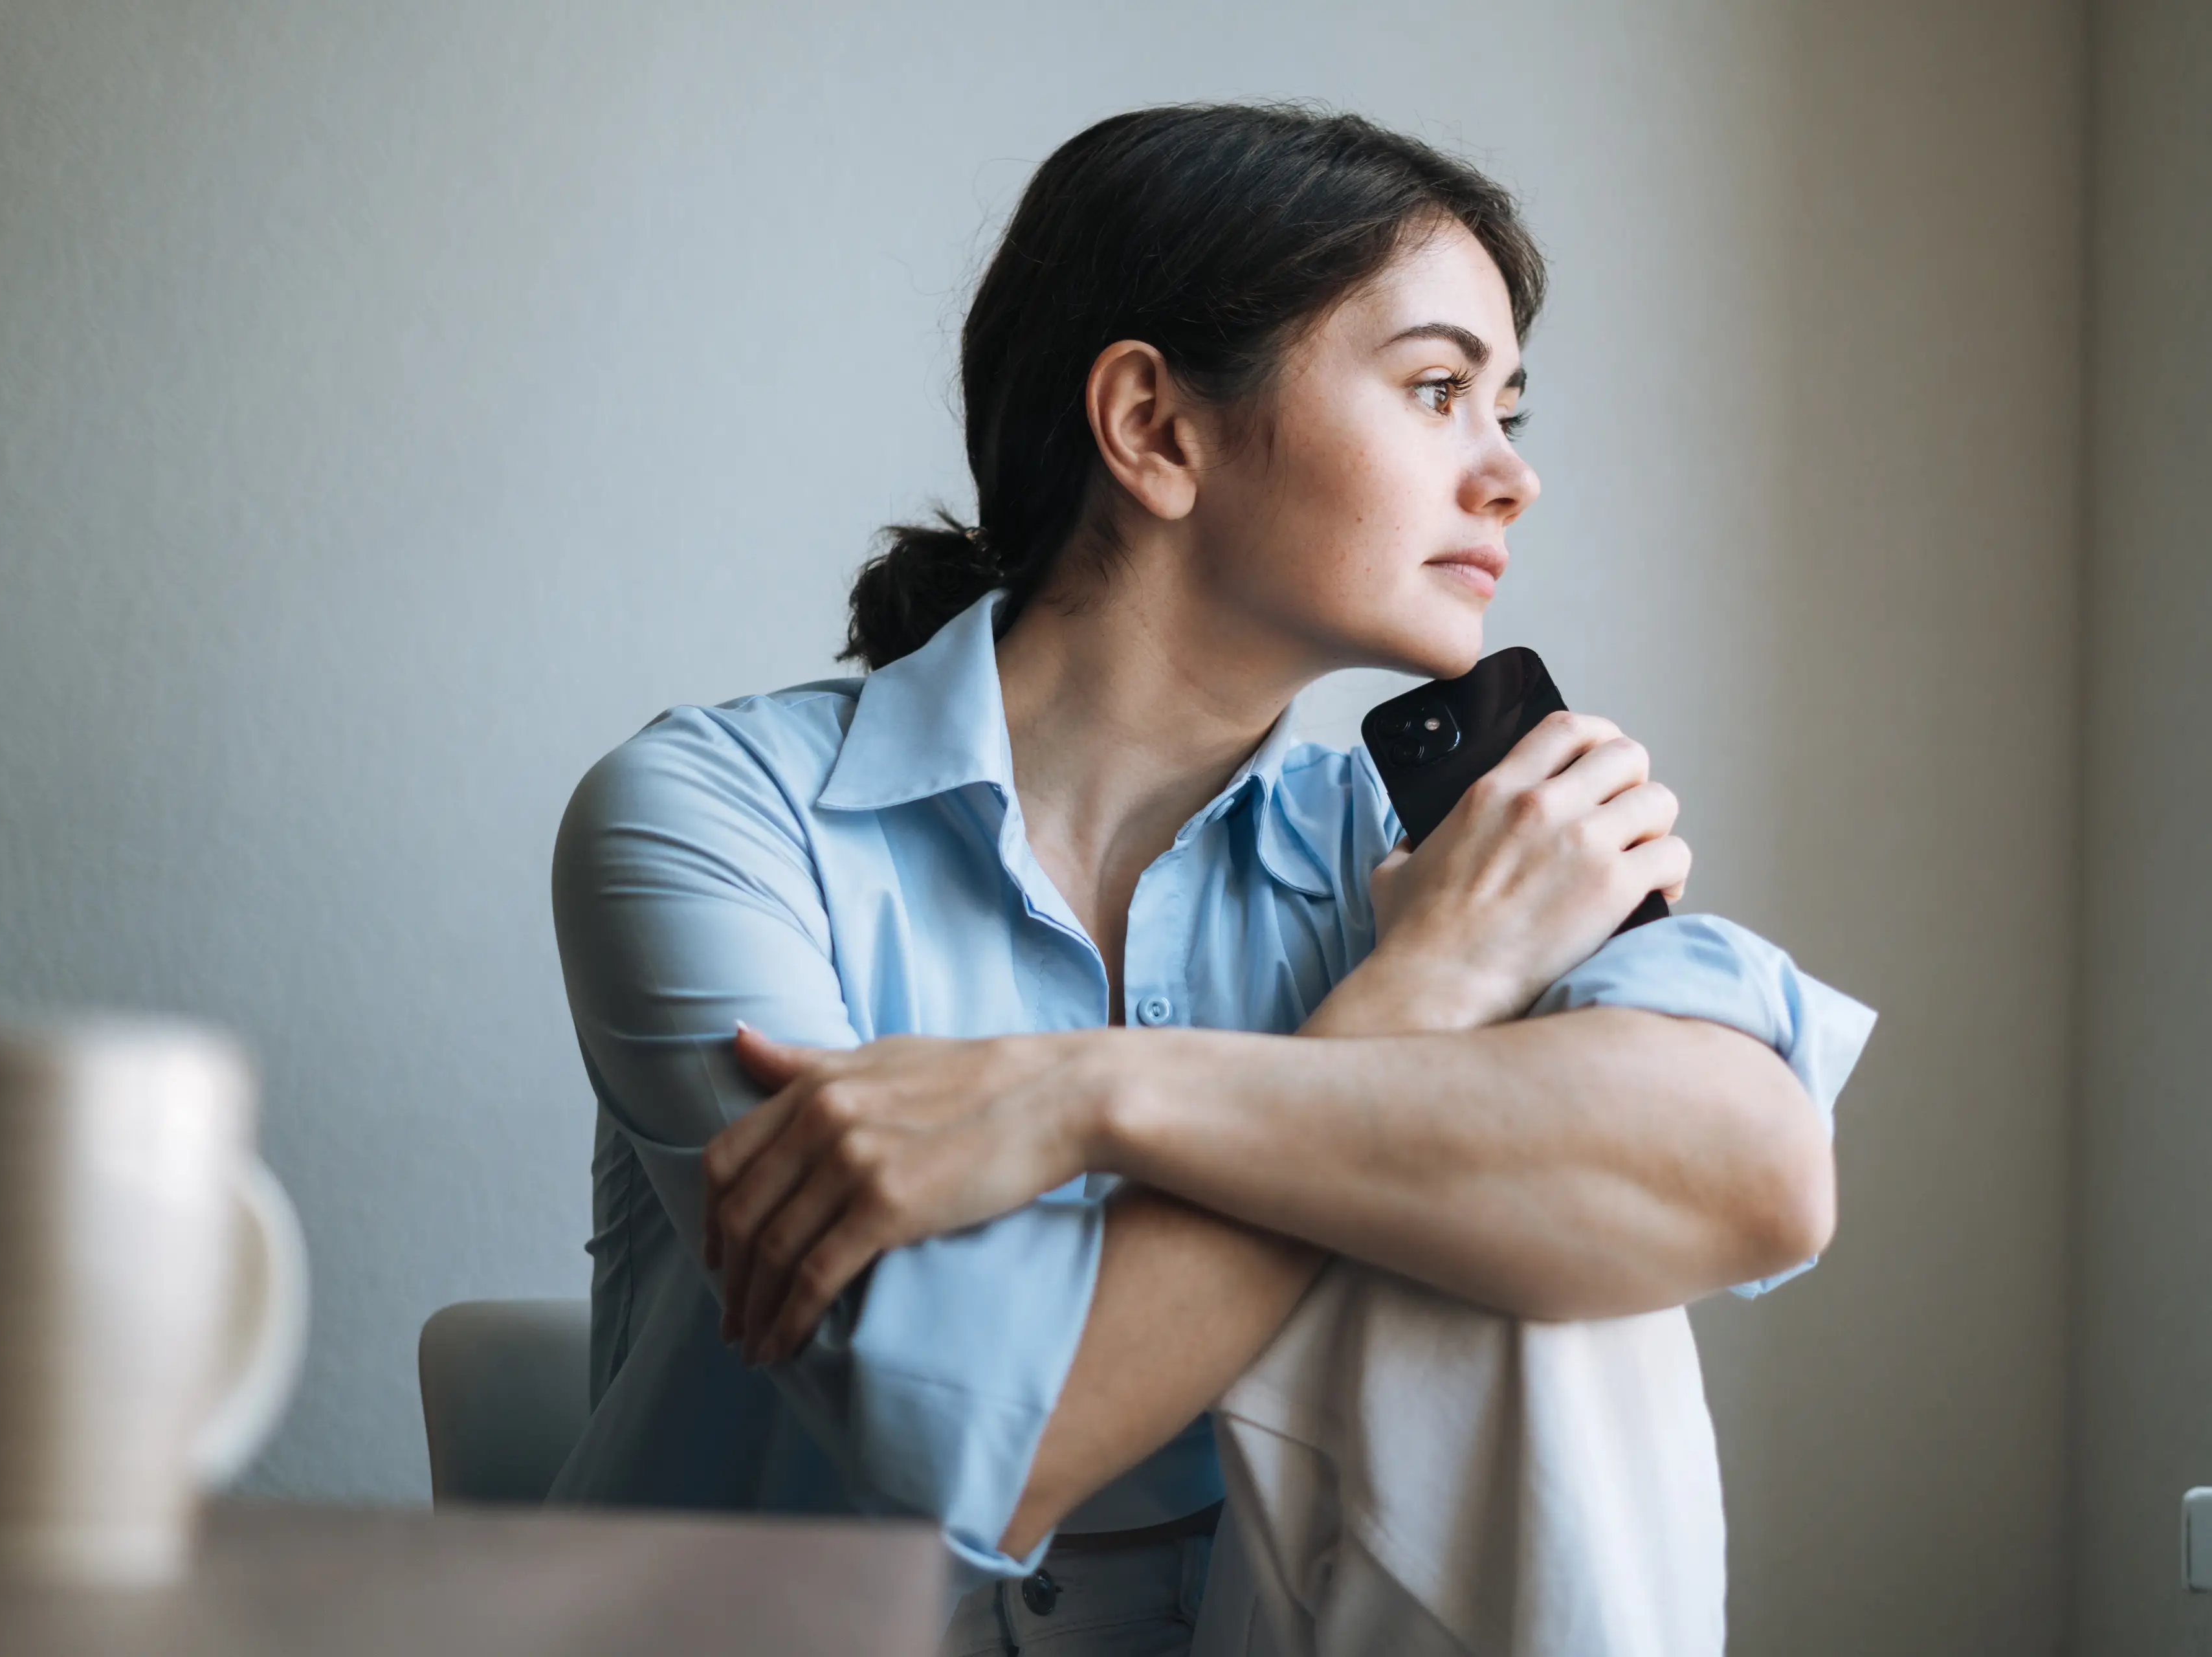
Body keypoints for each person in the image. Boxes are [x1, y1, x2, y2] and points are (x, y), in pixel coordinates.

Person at [546, 103, 1874, 1656]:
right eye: (1441, 388)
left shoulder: (1423, 844)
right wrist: (1423, 993)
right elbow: (991, 1442)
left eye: (1511, 408)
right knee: (1484, 1168)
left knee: (1567, 1237)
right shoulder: (715, 819)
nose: (1510, 476)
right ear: (1156, 430)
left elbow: (1761, 1172)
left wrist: (1086, 1090)